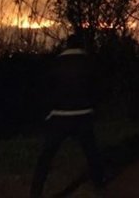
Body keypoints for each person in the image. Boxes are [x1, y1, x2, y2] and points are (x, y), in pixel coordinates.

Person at [31, 32, 105, 197]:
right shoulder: (89, 63)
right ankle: (99, 184)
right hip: (83, 115)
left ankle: (35, 192)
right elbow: (97, 88)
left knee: (46, 157)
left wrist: (48, 112)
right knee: (91, 152)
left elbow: (45, 89)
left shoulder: (55, 63)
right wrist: (94, 108)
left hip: (59, 116)